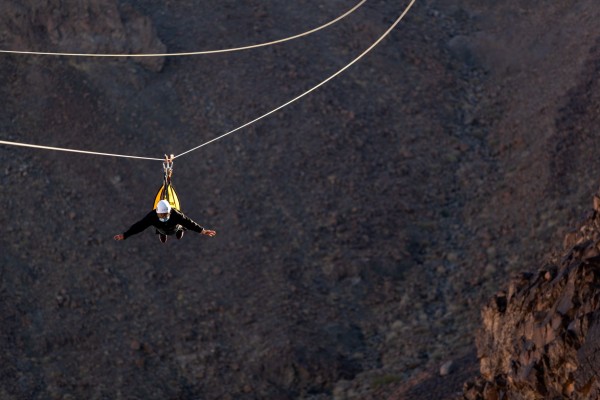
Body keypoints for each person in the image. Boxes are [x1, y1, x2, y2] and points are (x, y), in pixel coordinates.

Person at [114, 200, 216, 243]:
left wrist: (202, 231)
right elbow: (139, 226)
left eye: (165, 214)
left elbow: (189, 222)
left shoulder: (176, 214)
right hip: (161, 228)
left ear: (169, 212)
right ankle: (162, 233)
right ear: (157, 212)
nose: (163, 216)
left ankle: (180, 230)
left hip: (174, 227)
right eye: (161, 215)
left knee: (180, 228)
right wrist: (125, 235)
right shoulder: (152, 216)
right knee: (162, 232)